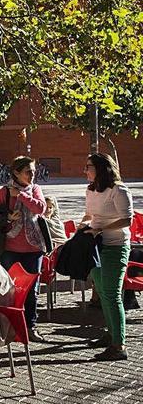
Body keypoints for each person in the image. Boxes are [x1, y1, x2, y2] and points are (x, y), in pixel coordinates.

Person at [0, 155, 48, 343]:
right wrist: (8, 218)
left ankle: (30, 326)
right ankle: (10, 326)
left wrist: (21, 195)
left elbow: (40, 209)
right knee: (9, 289)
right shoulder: (4, 191)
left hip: (34, 247)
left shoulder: (35, 189)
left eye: (34, 171)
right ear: (16, 173)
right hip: (9, 249)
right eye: (28, 171)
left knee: (32, 290)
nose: (33, 174)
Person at [81, 152, 133, 360]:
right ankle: (111, 334)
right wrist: (83, 225)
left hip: (115, 246)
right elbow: (90, 214)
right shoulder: (91, 189)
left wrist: (101, 230)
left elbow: (127, 219)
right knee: (102, 292)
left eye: (88, 166)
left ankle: (119, 345)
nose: (85, 170)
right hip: (95, 246)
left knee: (112, 294)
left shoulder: (119, 189)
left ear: (102, 168)